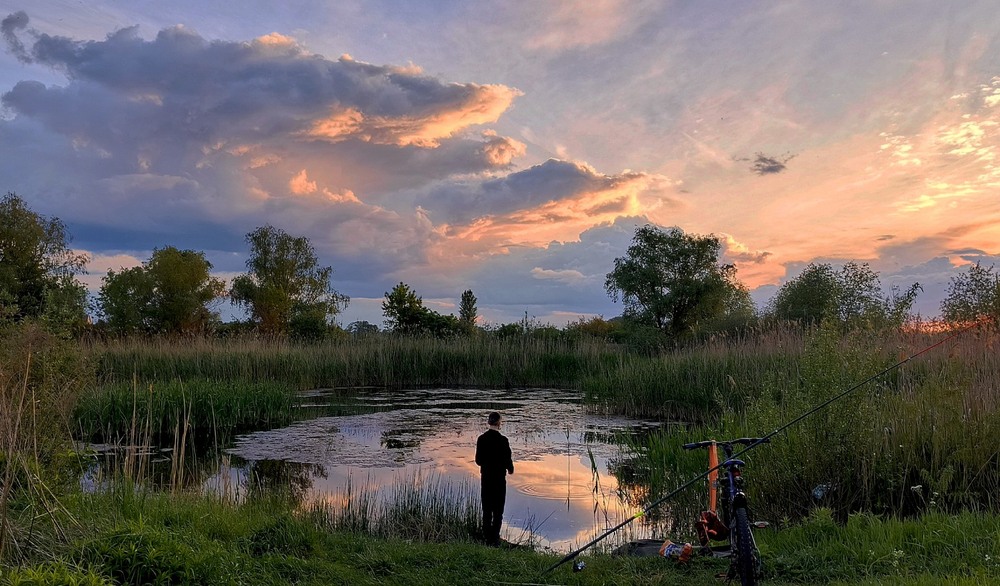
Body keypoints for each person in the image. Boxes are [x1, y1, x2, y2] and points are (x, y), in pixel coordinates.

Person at [475, 411, 514, 545]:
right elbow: (508, 460)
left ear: (488, 422)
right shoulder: (503, 440)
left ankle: (486, 537)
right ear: (498, 423)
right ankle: (495, 538)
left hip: (486, 479)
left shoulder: (481, 439)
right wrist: (510, 469)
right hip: (499, 480)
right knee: (498, 510)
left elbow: (478, 461)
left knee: (486, 509)